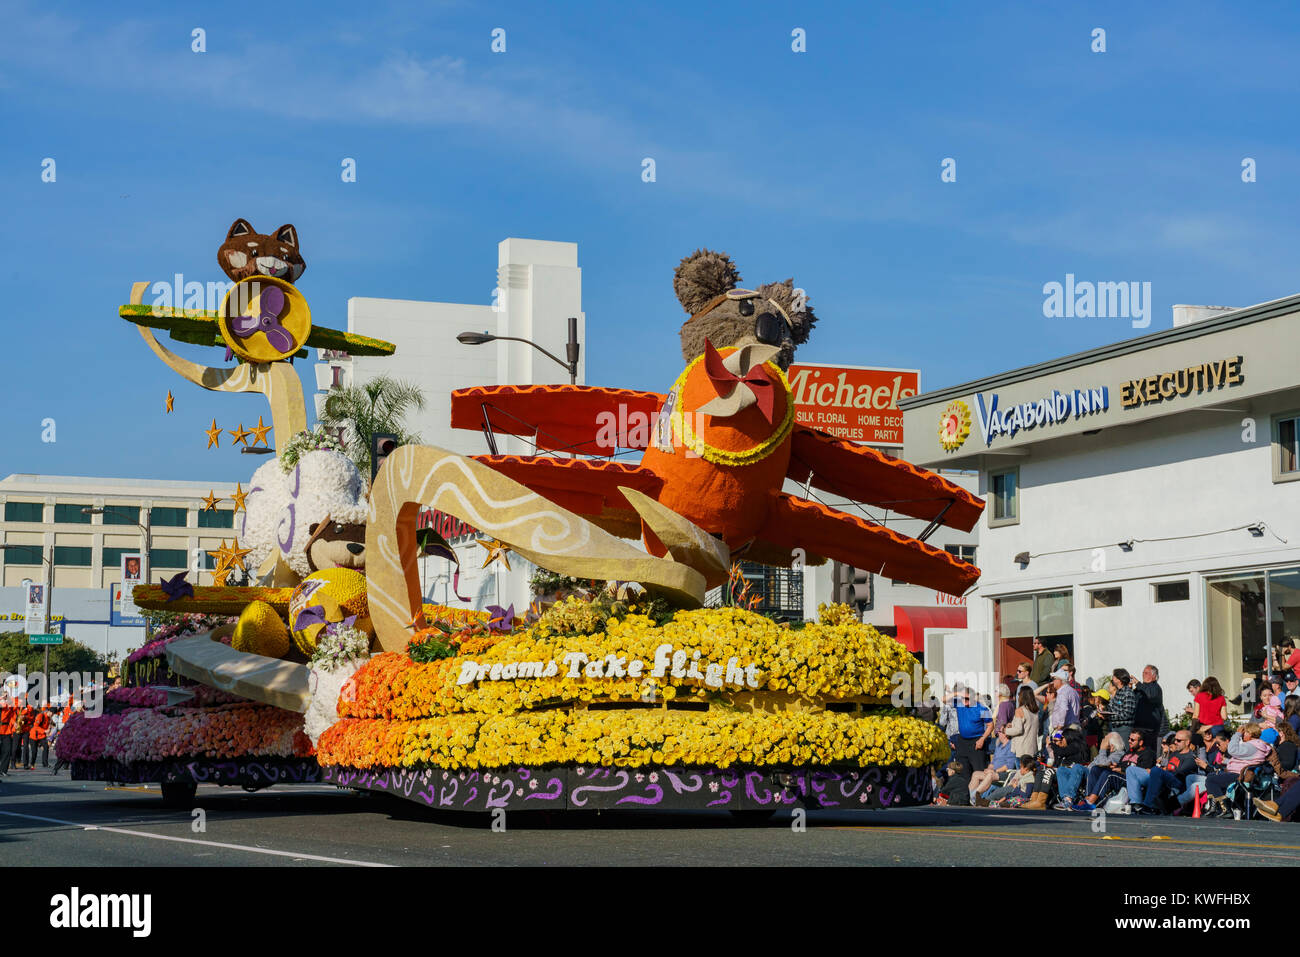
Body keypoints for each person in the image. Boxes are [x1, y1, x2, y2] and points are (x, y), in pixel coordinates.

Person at [1130, 729, 1199, 814]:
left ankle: (1148, 805)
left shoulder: (1191, 757)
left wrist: (1160, 770)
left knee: (1156, 770)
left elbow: (1179, 773)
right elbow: (1166, 768)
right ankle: (1136, 804)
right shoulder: (1174, 754)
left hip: (1177, 783)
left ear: (1187, 742)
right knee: (1131, 770)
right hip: (1164, 778)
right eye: (1175, 739)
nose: (1175, 742)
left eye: (1178, 740)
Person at [1204, 723, 1271, 805]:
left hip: (1239, 775)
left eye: (1244, 732)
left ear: (1249, 734)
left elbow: (1232, 750)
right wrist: (1226, 762)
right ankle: (1218, 806)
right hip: (1239, 773)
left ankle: (1224, 807)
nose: (1242, 735)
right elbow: (1245, 760)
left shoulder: (1251, 746)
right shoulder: (1255, 745)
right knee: (1211, 776)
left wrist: (1237, 734)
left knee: (1211, 780)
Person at [952, 686, 993, 772]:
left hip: (976, 742)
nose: (964, 700)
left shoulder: (982, 709)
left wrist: (982, 739)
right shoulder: (960, 704)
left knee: (978, 770)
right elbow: (943, 699)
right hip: (962, 741)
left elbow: (990, 725)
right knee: (962, 770)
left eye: (967, 698)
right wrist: (957, 693)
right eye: (962, 698)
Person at [1049, 726, 1091, 808]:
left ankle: (1069, 798)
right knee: (1061, 770)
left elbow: (1061, 752)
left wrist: (1052, 744)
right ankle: (1065, 799)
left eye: (1062, 738)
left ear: (1069, 737)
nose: (1061, 740)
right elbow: (1059, 756)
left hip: (1085, 770)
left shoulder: (1076, 745)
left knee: (1077, 767)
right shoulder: (1069, 747)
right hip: (1074, 771)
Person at [1000, 685, 1041, 761]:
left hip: (1022, 749)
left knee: (1022, 772)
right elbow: (1028, 725)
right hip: (1033, 748)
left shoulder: (1019, 710)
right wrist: (1012, 725)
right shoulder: (1035, 711)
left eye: (1019, 695)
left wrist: (1005, 731)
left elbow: (1018, 730)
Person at [1042, 668, 1080, 735]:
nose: (1053, 681)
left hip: (1066, 729)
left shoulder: (1063, 692)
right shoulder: (1073, 691)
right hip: (1073, 727)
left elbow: (1063, 709)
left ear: (1060, 680)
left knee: (1060, 745)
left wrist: (1059, 728)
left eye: (1054, 679)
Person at [1136, 664, 1168, 738]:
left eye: (1146, 673)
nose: (1143, 675)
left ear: (1154, 676)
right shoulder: (1141, 687)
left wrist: (1138, 684)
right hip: (1138, 726)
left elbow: (1150, 695)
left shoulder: (1156, 687)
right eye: (1143, 673)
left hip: (1150, 728)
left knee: (1149, 748)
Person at [1108, 669, 1138, 743]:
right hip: (1115, 728)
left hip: (1124, 729)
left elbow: (1127, 714)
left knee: (1124, 753)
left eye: (1114, 676)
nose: (1112, 678)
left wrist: (1111, 716)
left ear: (1119, 679)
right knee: (1115, 753)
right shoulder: (1118, 692)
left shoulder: (1128, 693)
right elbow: (1113, 709)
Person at [25, 703, 51, 769]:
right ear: (48, 711)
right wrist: (44, 731)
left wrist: (48, 731)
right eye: (51, 713)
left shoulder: (48, 718)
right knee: (34, 751)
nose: (52, 714)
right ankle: (32, 764)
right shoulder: (40, 716)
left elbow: (46, 727)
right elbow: (36, 726)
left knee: (46, 747)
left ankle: (45, 763)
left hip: (41, 736)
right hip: (34, 736)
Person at [0, 695, 15, 776]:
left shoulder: (10, 706)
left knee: (8, 750)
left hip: (6, 731)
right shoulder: (2, 704)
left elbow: (11, 717)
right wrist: (2, 698)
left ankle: (3, 770)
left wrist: (14, 723)